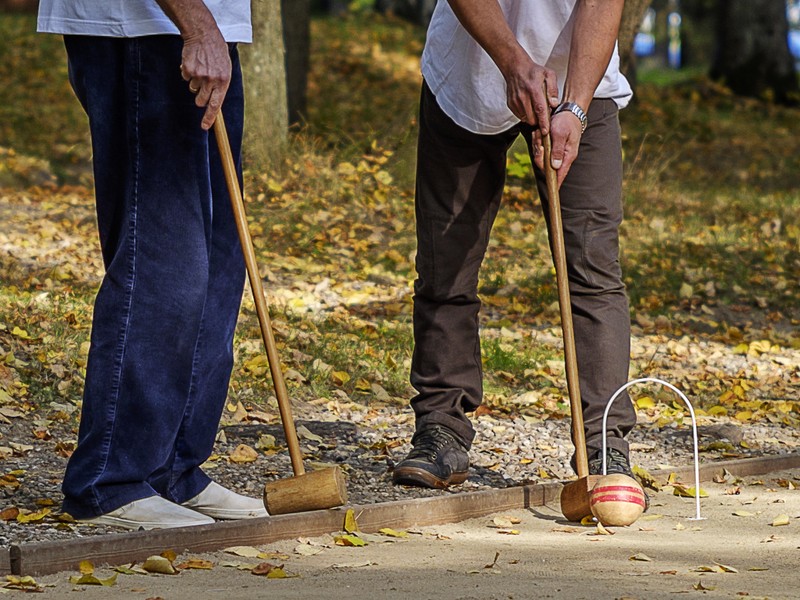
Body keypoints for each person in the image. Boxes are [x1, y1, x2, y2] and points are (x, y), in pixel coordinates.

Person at [37, 0, 268, 529]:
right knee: (162, 259)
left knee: (216, 261)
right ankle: (111, 480)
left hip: (202, 32)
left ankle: (172, 472)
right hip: (146, 30)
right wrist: (197, 23)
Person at [393, 0, 638, 489]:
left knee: (591, 265)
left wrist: (576, 107)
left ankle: (604, 445)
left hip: (581, 79)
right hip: (470, 72)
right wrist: (512, 63)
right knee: (447, 262)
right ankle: (441, 427)